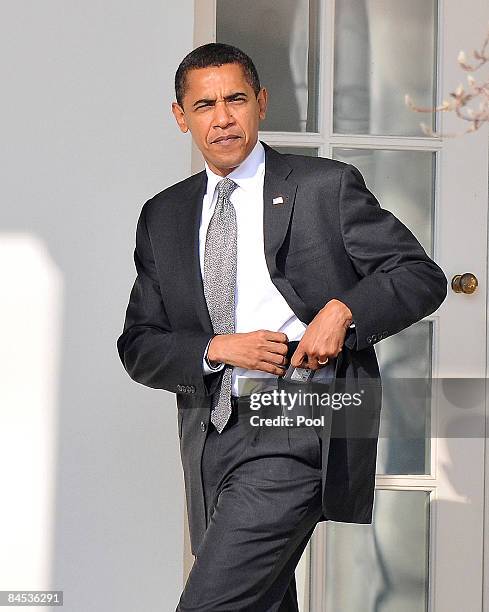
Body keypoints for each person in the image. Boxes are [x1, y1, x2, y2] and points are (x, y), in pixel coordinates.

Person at [117, 43, 447, 611]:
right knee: (261, 601)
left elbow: (420, 276)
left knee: (212, 604)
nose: (222, 118)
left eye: (236, 100)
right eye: (204, 106)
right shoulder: (163, 215)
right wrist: (217, 348)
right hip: (210, 433)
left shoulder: (325, 186)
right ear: (181, 116)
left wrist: (343, 312)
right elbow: (140, 344)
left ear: (262, 103)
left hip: (300, 419)